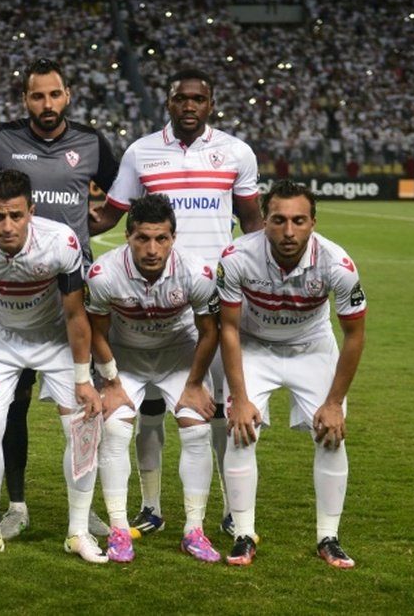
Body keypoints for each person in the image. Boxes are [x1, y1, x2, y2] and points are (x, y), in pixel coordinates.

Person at [90, 67, 262, 538]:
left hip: (215, 297)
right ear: (169, 102)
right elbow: (112, 215)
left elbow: (252, 222)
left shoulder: (236, 152)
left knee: (219, 408)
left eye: (199, 99)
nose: (190, 106)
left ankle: (231, 508)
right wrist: (57, 226)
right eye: (182, 99)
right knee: (147, 410)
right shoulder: (141, 152)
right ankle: (150, 506)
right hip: (152, 296)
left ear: (211, 104)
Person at [0, 57, 118, 539]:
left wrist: (98, 224)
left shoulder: (93, 143)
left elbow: (121, 192)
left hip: (72, 292)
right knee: (11, 408)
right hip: (15, 292)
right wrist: (5, 223)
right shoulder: (1, 138)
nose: (47, 104)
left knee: (85, 404)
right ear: (25, 100)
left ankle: (87, 510)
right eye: (38, 96)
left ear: (68, 95)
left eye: (55, 95)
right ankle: (16, 505)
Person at [0, 169, 104, 564]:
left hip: (53, 339)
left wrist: (84, 378)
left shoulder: (60, 242)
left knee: (82, 430)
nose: (6, 225)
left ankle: (78, 532)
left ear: (31, 210)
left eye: (16, 215)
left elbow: (75, 315)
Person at [217, 179, 366, 568]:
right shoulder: (235, 257)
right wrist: (240, 397)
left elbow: (354, 335)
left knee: (331, 435)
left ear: (313, 222)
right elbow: (228, 329)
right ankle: (243, 534)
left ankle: (328, 537)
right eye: (279, 220)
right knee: (240, 431)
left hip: (311, 347)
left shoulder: (338, 264)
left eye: (299, 221)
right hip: (253, 345)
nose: (288, 231)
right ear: (263, 221)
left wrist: (334, 403)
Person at [85, 193, 221, 564]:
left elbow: (210, 332)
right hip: (125, 358)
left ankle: (194, 530)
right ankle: (118, 529)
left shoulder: (197, 273)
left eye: (161, 238)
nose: (152, 248)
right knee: (114, 429)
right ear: (127, 236)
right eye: (142, 238)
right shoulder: (103, 275)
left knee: (196, 429)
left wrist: (194, 385)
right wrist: (111, 383)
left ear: (173, 238)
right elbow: (95, 331)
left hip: (178, 356)